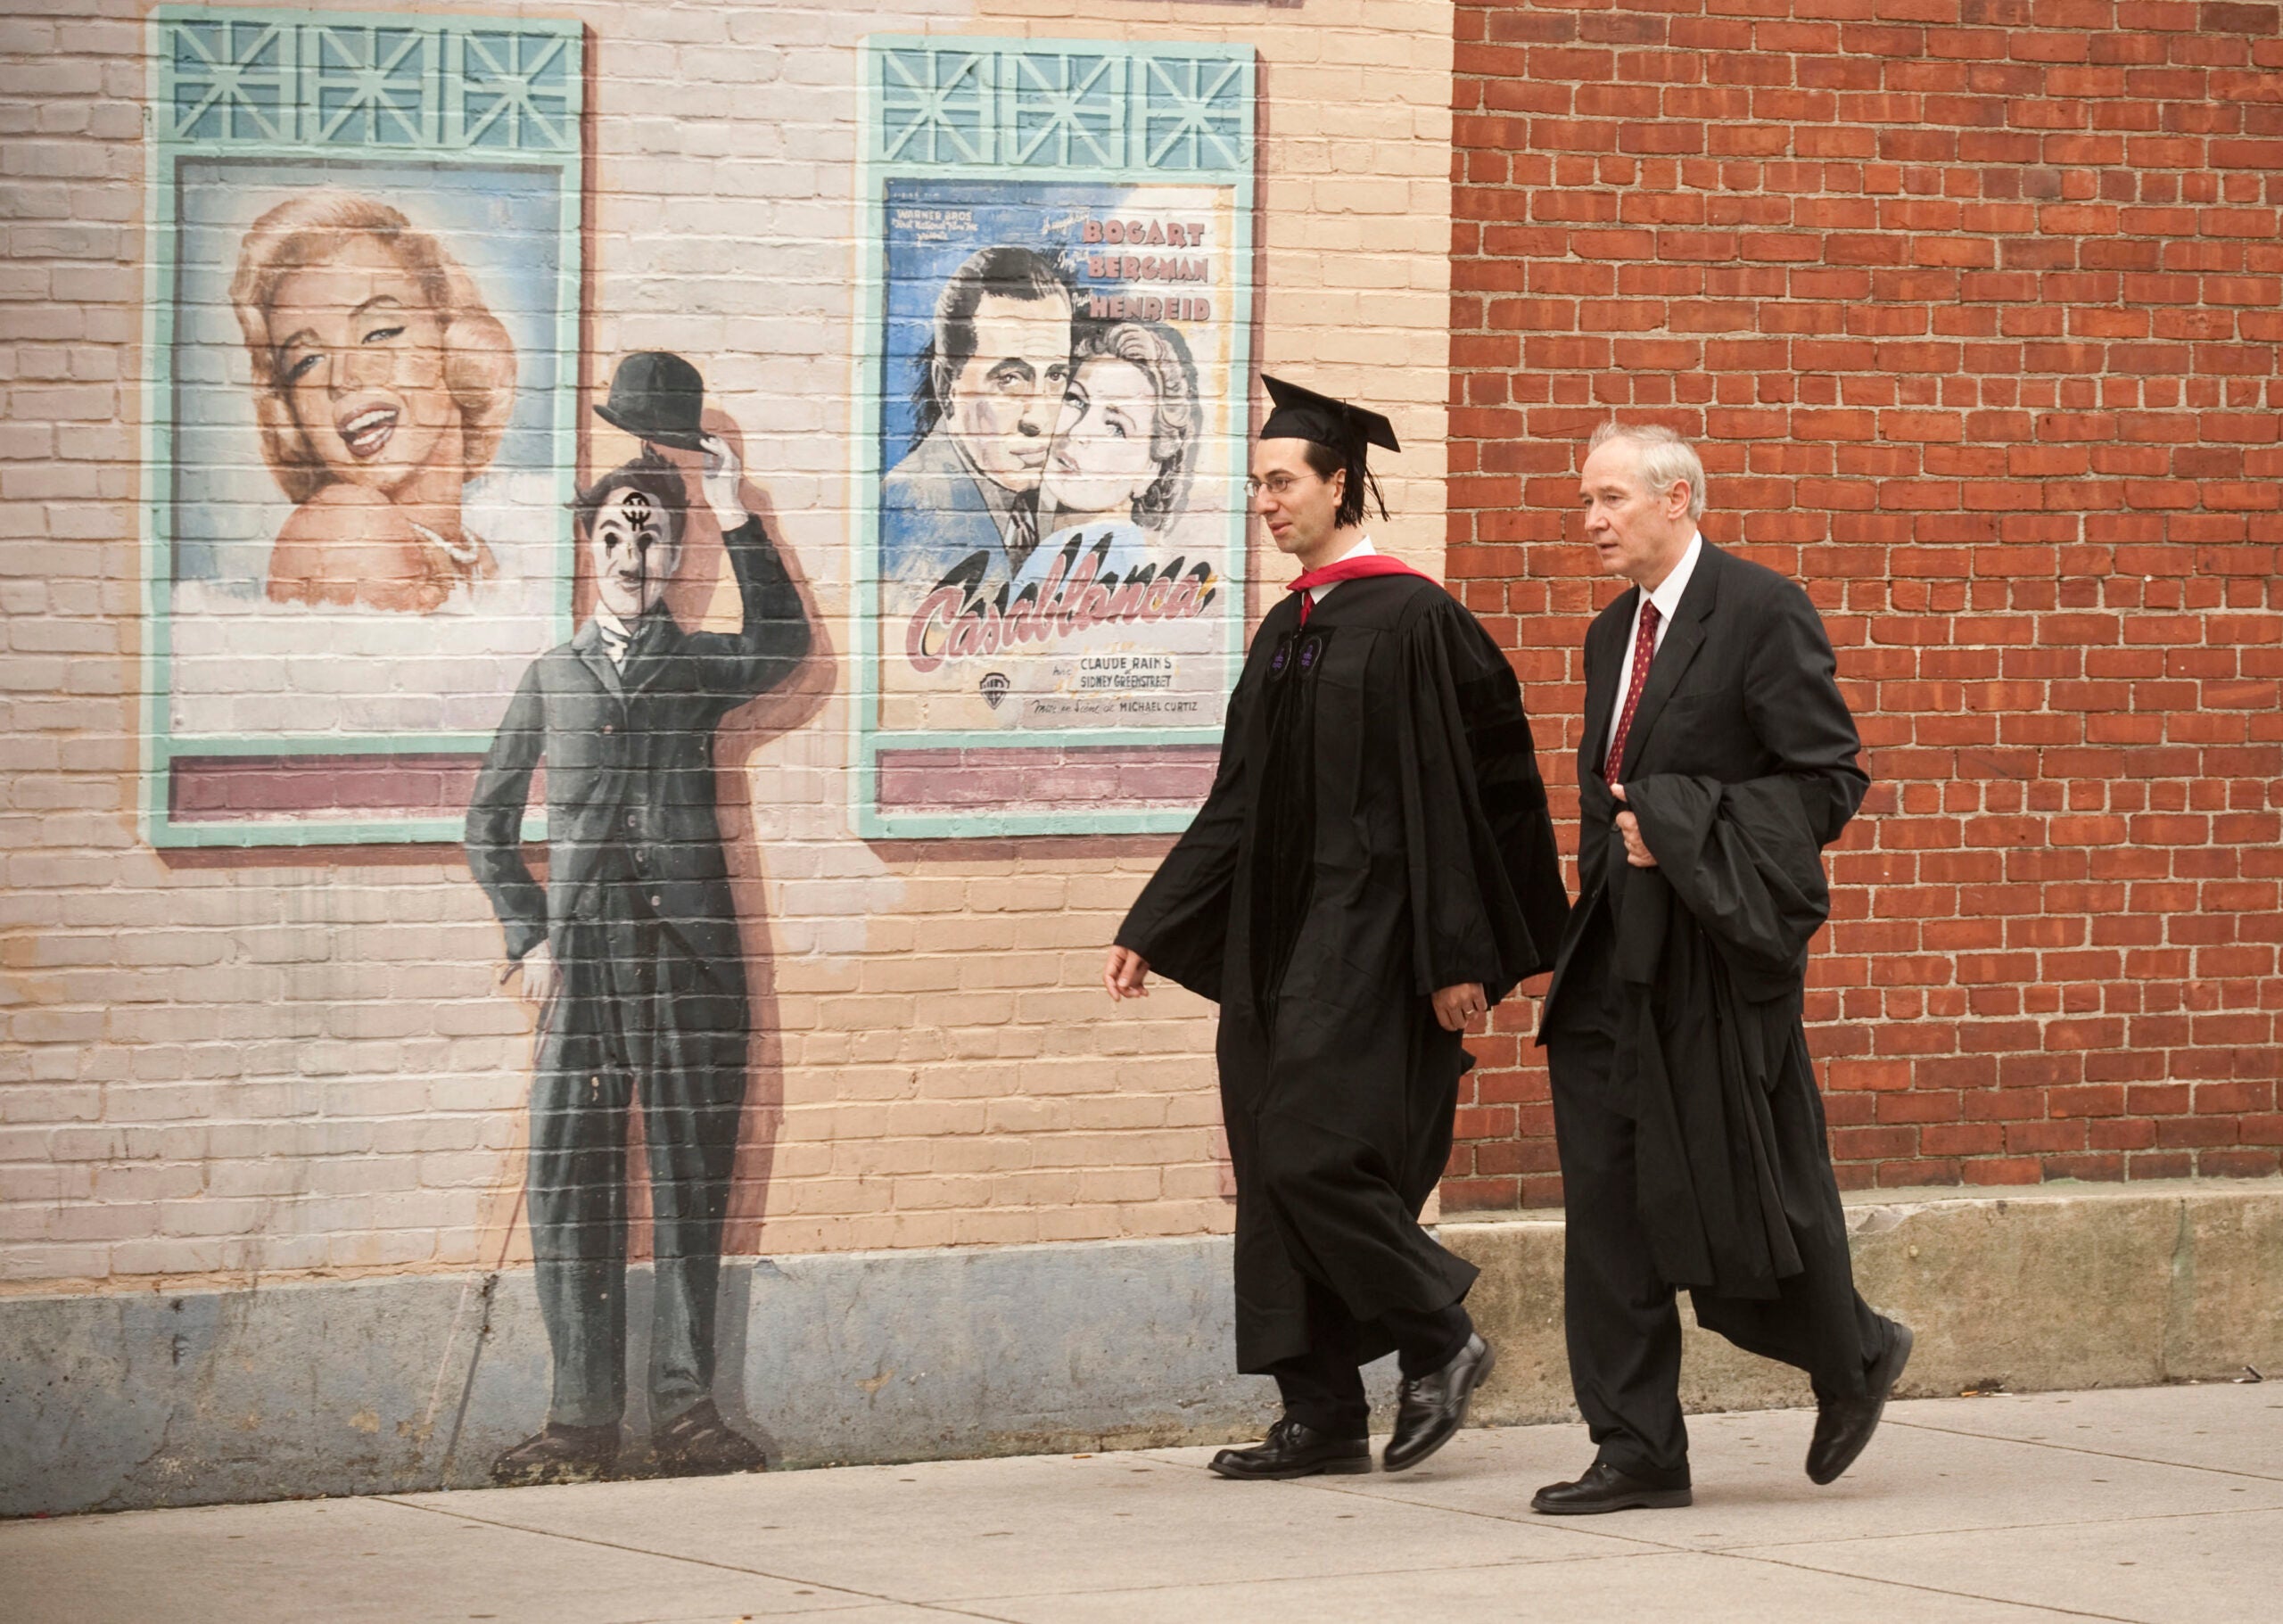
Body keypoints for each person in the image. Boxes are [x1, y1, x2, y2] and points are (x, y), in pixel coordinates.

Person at [1105, 375, 1569, 1480]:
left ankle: (1441, 1334)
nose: (1264, 503)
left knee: (1314, 1152)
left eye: (1280, 482)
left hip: (1376, 932)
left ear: (1339, 486)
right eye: (1258, 484)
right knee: (1268, 1162)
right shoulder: (1285, 627)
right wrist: (1154, 919)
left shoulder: (1416, 619)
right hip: (1279, 937)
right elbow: (1238, 797)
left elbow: (1481, 796)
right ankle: (1318, 1413)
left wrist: (1461, 959)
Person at [1529, 422, 1912, 1515]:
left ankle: (1851, 1350)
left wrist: (1682, 826)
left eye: (1608, 501)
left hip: (1712, 960)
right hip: (1609, 957)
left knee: (1736, 1198)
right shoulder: (1612, 635)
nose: (1592, 523)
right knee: (1605, 1205)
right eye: (1586, 504)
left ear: (1677, 497)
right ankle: (1636, 1448)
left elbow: (1827, 779)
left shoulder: (1758, 609)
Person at [465, 430, 810, 1486]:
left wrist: (732, 506)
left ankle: (689, 1415)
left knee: (693, 1180)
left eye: (650, 536)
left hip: (693, 965)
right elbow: (487, 824)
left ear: (674, 557)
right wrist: (527, 934)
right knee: (572, 1185)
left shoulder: (700, 664)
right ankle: (579, 1423)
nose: (629, 550)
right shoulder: (550, 679)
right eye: (613, 532)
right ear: (590, 546)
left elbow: (784, 644)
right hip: (584, 971)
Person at [229, 190, 515, 613]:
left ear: (450, 335)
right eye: (307, 361)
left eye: (378, 333)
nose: (344, 379)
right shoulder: (348, 528)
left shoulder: (475, 553)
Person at [879, 245, 1075, 597]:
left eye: (1057, 376)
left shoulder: (1052, 501)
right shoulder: (909, 515)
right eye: (1010, 378)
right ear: (946, 386)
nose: (1040, 419)